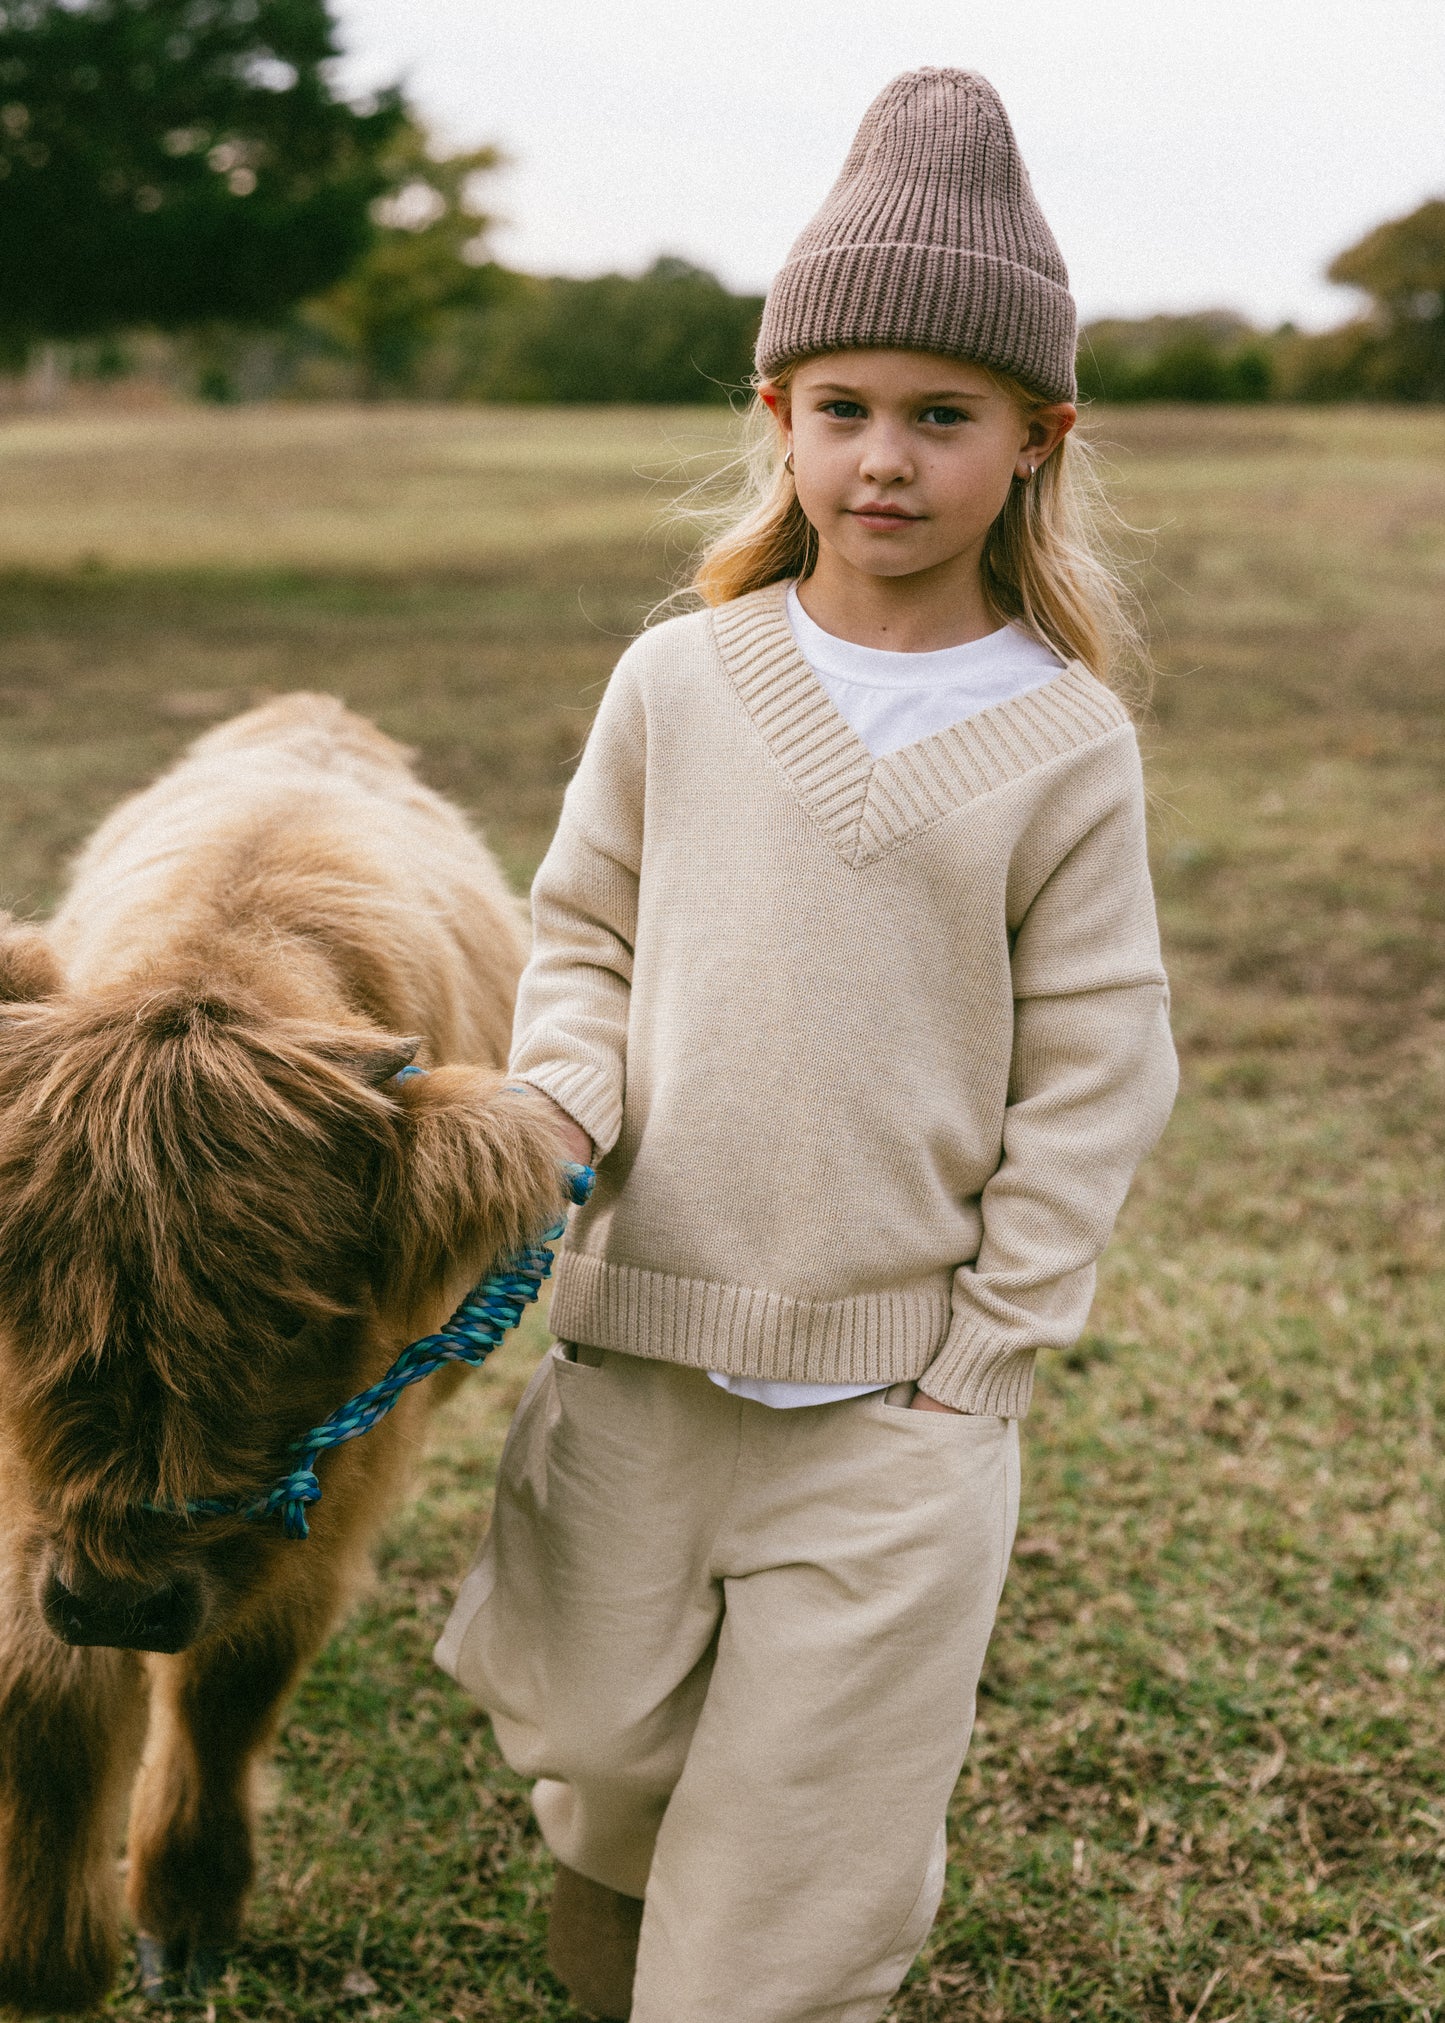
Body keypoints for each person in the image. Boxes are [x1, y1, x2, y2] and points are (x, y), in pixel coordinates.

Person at [436, 66, 1179, 2023]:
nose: (885, 459)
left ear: (1036, 439)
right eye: (842, 407)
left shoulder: (1062, 739)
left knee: (795, 1882)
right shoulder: (685, 681)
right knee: (602, 1773)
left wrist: (979, 1354)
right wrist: (564, 1105)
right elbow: (579, 929)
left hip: (895, 1408)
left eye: (945, 416)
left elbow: (1101, 1061)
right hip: (641, 1363)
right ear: (775, 418)